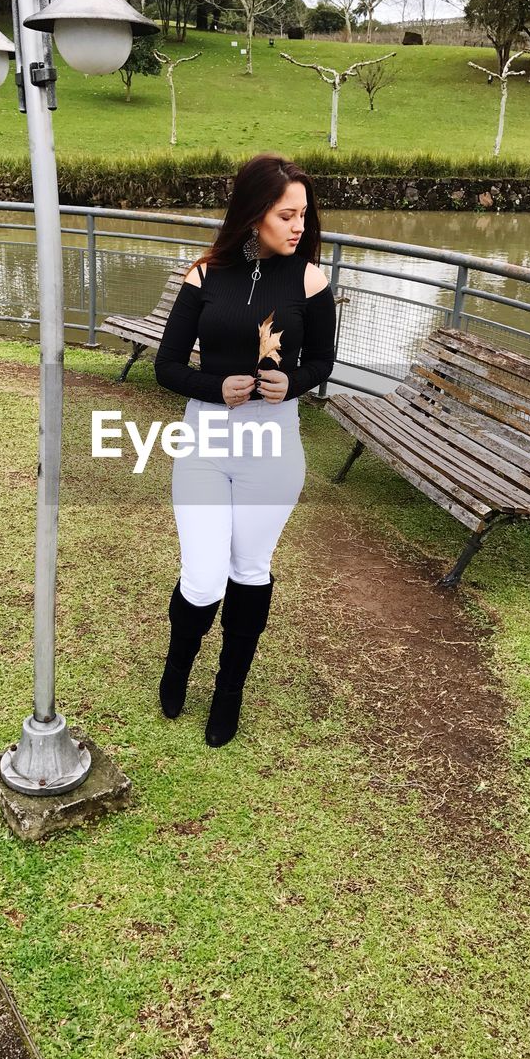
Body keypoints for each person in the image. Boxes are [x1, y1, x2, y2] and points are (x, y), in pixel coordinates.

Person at [153, 154, 337, 746]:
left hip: (274, 443)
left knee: (249, 570)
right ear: (255, 214)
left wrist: (296, 383)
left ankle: (229, 690)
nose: (299, 227)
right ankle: (178, 665)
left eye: (304, 216)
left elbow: (323, 360)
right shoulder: (204, 275)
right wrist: (216, 387)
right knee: (203, 577)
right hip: (206, 438)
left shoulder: (311, 280)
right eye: (287, 215)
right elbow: (167, 366)